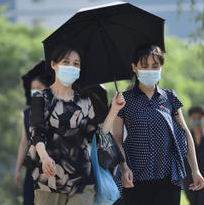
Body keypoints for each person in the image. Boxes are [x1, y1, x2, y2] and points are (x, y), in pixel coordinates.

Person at [28, 44, 125, 205]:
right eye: (66, 62)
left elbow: (98, 134)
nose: (71, 67)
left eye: (76, 64)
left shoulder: (85, 100)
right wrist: (44, 158)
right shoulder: (41, 97)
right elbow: (37, 132)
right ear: (53, 64)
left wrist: (114, 110)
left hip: (82, 178)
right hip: (50, 178)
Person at [113, 44, 204, 205]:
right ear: (134, 67)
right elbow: (117, 139)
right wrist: (124, 167)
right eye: (144, 65)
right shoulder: (124, 100)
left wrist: (195, 170)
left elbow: (185, 133)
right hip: (135, 179)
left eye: (155, 66)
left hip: (168, 178)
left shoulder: (169, 97)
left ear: (161, 67)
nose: (150, 70)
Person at [14, 61, 49, 205]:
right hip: (32, 166)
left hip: (51, 166)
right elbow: (24, 143)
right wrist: (17, 169)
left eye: (39, 88)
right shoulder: (27, 113)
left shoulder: (55, 110)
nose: (35, 91)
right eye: (32, 89)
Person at [184, 106, 204, 205]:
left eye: (199, 118)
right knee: (193, 202)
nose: (196, 120)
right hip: (189, 177)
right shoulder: (185, 137)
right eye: (194, 118)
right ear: (190, 118)